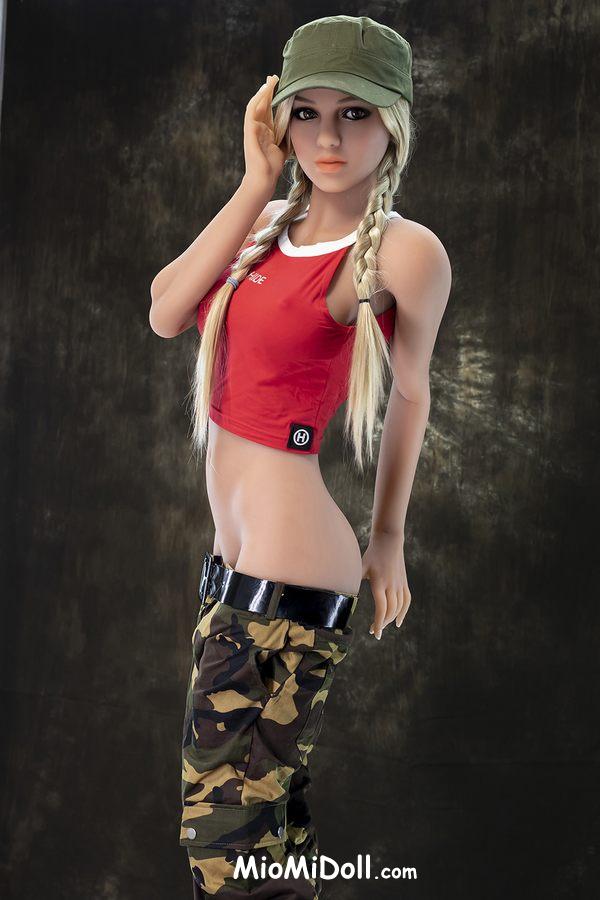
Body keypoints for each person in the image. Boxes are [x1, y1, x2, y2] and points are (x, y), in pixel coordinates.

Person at [149, 14, 451, 899]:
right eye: (307, 112)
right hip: (234, 566)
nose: (327, 138)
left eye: (355, 114)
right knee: (262, 831)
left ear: (393, 123)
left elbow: (411, 394)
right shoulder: (266, 224)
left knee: (228, 843)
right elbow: (166, 311)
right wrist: (254, 182)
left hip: (292, 564)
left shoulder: (402, 252)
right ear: (277, 119)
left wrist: (387, 537)